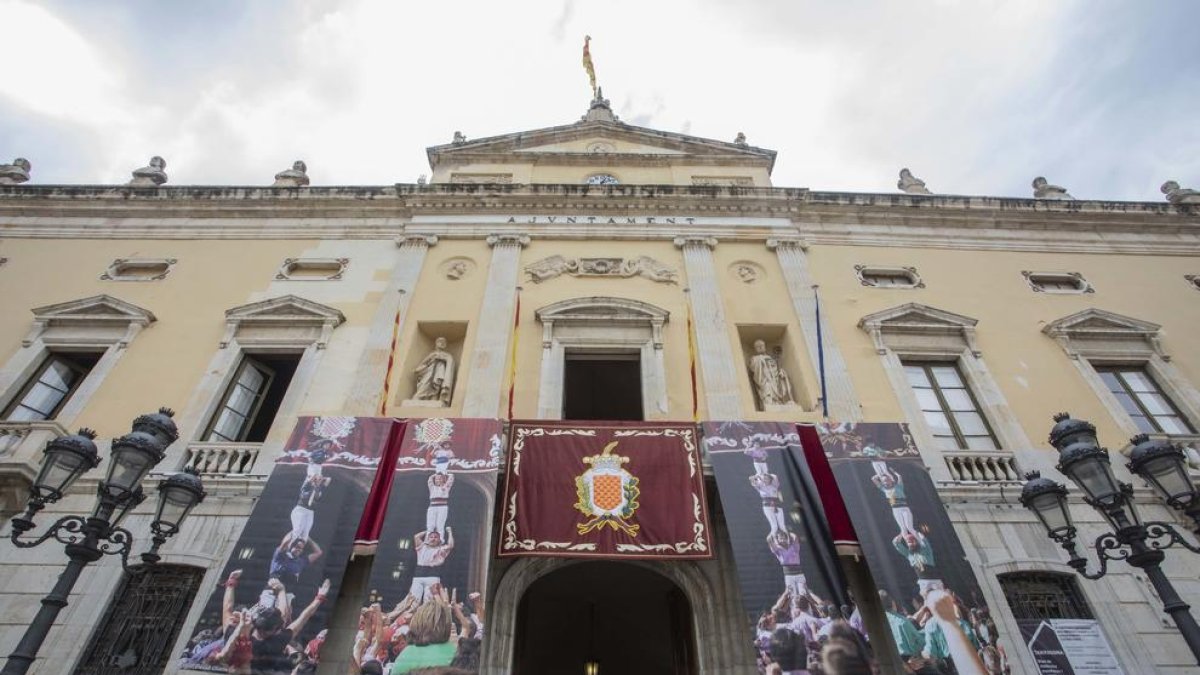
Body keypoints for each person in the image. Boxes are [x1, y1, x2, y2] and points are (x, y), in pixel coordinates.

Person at [291, 444, 331, 541]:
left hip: (310, 511)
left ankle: (296, 549)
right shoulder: (307, 485)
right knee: (297, 530)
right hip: (301, 509)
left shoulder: (318, 488)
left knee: (305, 534)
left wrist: (321, 479)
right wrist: (316, 478)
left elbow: (328, 481)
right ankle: (289, 545)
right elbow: (311, 478)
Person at [409, 528, 454, 603]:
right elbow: (416, 536)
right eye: (431, 537)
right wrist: (428, 531)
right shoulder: (422, 547)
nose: (433, 539)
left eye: (436, 537)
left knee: (429, 601)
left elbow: (451, 545)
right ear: (428, 539)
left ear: (439, 540)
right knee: (414, 599)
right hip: (418, 575)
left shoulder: (441, 549)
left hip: (433, 576)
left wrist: (450, 532)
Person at [748, 339, 795, 407]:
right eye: (758, 347)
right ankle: (769, 403)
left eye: (762, 345)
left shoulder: (770, 358)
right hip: (765, 379)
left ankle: (779, 401)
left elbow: (775, 368)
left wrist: (780, 372)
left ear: (765, 347)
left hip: (774, 379)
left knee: (781, 382)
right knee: (767, 388)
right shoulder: (755, 358)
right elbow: (753, 368)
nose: (760, 347)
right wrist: (760, 361)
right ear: (755, 349)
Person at [871, 469, 916, 536]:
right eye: (884, 481)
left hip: (904, 508)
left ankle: (921, 542)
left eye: (887, 480)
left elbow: (899, 476)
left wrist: (893, 472)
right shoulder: (883, 489)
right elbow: (873, 478)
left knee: (909, 527)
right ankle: (908, 542)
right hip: (895, 509)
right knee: (903, 528)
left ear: (891, 480)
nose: (885, 482)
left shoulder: (898, 486)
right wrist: (880, 474)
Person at [767, 530, 808, 599]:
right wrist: (773, 533)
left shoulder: (794, 547)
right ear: (777, 540)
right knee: (792, 595)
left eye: (784, 538)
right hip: (789, 575)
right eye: (780, 538)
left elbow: (795, 537)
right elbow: (769, 540)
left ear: (787, 539)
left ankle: (807, 608)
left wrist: (787, 532)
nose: (782, 539)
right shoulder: (778, 550)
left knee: (803, 593)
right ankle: (796, 608)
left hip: (799, 574)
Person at [414, 338, 455, 405]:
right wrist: (420, 369)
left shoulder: (447, 355)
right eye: (440, 342)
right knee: (425, 383)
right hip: (429, 372)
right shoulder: (432, 354)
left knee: (437, 385)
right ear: (436, 343)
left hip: (439, 372)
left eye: (444, 343)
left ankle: (434, 398)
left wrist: (443, 358)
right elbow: (423, 363)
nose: (442, 343)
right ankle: (419, 397)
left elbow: (450, 362)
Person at [425, 472, 454, 536]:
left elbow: (451, 477)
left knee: (440, 525)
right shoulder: (432, 487)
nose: (438, 480)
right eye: (437, 479)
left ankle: (440, 540)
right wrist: (435, 475)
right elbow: (429, 480)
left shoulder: (446, 487)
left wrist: (445, 474)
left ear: (443, 479)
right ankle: (428, 541)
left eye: (440, 479)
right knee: (430, 525)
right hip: (432, 507)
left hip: (442, 507)